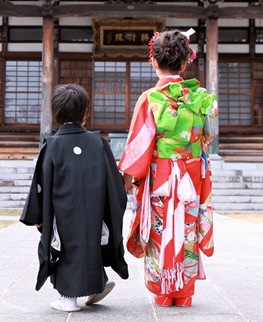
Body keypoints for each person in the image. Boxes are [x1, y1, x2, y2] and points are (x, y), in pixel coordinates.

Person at [119, 29, 217, 307]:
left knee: (160, 228)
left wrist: (127, 179)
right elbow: (205, 139)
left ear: (153, 62)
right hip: (191, 174)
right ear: (185, 63)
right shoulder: (199, 98)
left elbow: (139, 145)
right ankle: (183, 294)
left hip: (160, 175)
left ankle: (164, 291)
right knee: (186, 227)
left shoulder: (150, 99)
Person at [20, 84, 129, 312]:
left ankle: (68, 298)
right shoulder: (100, 143)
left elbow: (39, 185)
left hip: (62, 215)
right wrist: (112, 204)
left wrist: (38, 215)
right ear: (85, 113)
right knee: (93, 241)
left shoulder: (51, 146)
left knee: (64, 247)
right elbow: (115, 185)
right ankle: (94, 284)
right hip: (95, 213)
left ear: (55, 114)